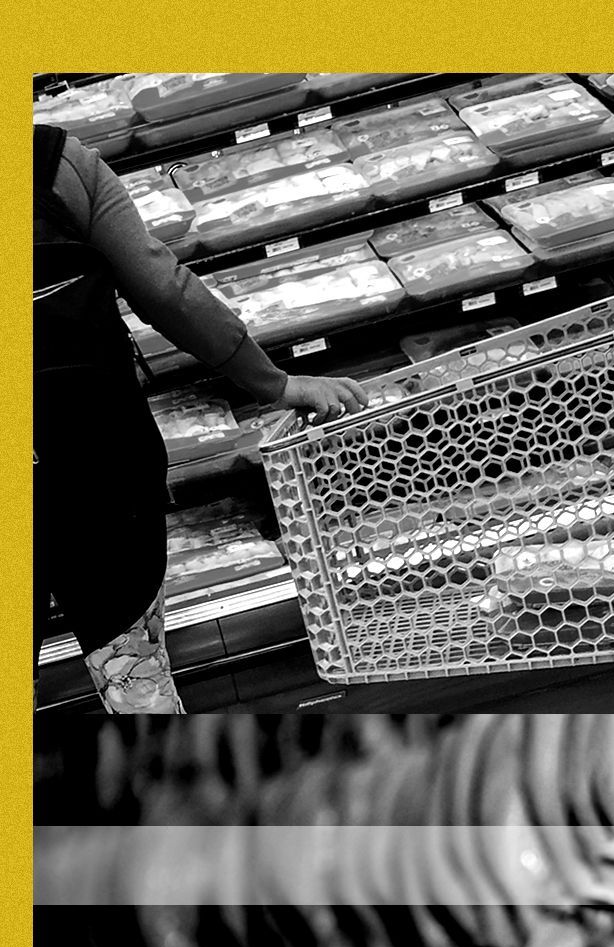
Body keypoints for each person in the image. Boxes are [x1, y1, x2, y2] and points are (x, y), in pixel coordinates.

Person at [33, 123, 368, 713]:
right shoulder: (51, 159)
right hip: (98, 469)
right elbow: (163, 287)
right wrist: (275, 383)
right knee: (136, 677)